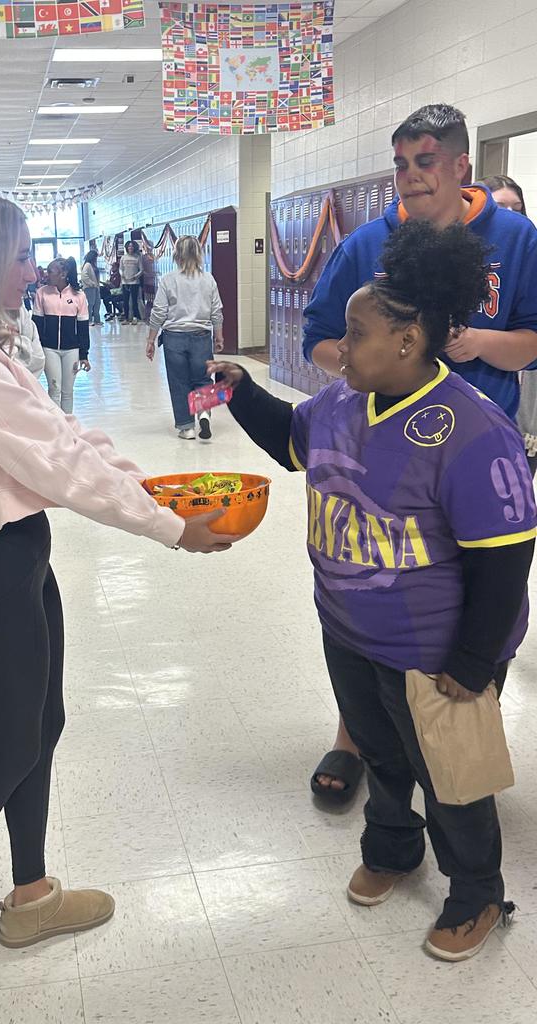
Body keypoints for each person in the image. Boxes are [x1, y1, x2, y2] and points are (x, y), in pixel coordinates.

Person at [0, 188, 239, 946]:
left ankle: (32, 892)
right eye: (18, 256)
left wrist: (147, 489)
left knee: (43, 725)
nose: (32, 271)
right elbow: (56, 461)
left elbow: (62, 432)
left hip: (17, 557)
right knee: (15, 743)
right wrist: (170, 527)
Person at [213, 218, 536, 962]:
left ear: (408, 341)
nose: (338, 346)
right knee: (384, 757)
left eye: (355, 334)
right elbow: (293, 441)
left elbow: (504, 560)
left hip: (433, 651)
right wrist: (243, 393)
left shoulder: (471, 430)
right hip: (349, 630)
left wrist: (473, 661)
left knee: (450, 778)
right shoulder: (341, 403)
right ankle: (392, 848)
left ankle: (478, 890)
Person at [302, 104, 537, 802]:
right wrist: (368, 370)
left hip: (476, 458)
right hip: (383, 461)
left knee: (479, 599)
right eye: (401, 163)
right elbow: (320, 339)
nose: (410, 176)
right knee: (372, 591)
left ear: (462, 165)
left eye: (425, 161)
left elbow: (533, 338)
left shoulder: (514, 239)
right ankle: (357, 736)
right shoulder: (366, 245)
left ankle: (460, 745)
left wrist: (476, 345)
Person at [481, 174, 537, 476]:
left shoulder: (527, 257)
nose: (511, 217)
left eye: (518, 209)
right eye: (501, 207)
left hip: (519, 407)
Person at [146, 235, 225, 440]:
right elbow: (216, 311)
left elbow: (158, 312)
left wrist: (150, 340)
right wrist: (219, 336)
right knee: (203, 378)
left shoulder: (168, 280)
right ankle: (204, 413)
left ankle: (187, 427)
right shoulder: (208, 279)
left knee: (179, 381)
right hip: (201, 336)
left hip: (174, 337)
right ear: (198, 253)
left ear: (176, 255)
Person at [33, 256, 90, 414]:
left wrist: (84, 354)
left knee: (67, 392)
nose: (46, 274)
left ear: (63, 274)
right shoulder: (41, 293)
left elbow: (83, 328)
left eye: (50, 271)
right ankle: (56, 425)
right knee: (54, 389)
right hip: (49, 349)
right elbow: (36, 325)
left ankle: (68, 425)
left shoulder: (79, 296)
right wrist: (36, 348)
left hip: (72, 350)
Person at [120, 240, 142, 324]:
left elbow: (141, 270)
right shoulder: (123, 257)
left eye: (132, 246)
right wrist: (122, 275)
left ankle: (135, 317)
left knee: (134, 301)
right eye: (129, 246)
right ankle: (126, 318)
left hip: (134, 282)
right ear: (126, 247)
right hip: (125, 282)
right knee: (125, 301)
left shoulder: (137, 257)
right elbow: (120, 269)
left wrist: (136, 276)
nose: (130, 248)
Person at [81, 250, 102, 326]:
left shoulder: (93, 265)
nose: (96, 258)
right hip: (89, 288)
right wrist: (92, 284)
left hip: (95, 287)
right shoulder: (87, 265)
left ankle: (97, 320)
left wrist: (96, 285)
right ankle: (89, 320)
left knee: (97, 303)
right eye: (95, 257)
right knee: (90, 304)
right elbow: (84, 276)